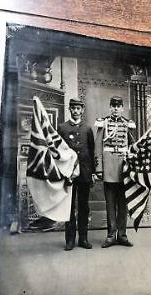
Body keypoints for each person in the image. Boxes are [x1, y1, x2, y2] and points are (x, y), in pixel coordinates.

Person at [94, 96, 135, 248]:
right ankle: (111, 235)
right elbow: (98, 146)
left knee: (123, 205)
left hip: (123, 170)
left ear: (122, 108)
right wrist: (98, 169)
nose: (116, 108)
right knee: (110, 204)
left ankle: (122, 235)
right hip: (109, 169)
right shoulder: (103, 123)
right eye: (113, 106)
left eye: (119, 106)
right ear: (110, 107)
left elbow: (132, 146)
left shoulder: (127, 124)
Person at [58, 98, 95, 251]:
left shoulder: (87, 129)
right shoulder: (62, 128)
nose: (75, 111)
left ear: (82, 110)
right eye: (73, 108)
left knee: (84, 207)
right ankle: (70, 240)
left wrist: (92, 172)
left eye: (78, 108)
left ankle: (83, 239)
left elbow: (92, 152)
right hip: (68, 173)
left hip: (85, 173)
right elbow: (58, 151)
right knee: (69, 206)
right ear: (69, 109)